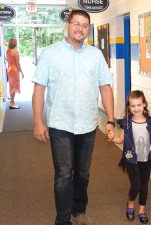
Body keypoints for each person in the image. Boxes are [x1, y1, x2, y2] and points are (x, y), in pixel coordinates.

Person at [32, 10, 114, 225]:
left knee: (84, 173)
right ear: (67, 25)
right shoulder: (50, 53)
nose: (80, 28)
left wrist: (111, 120)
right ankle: (62, 219)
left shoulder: (96, 55)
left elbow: (105, 88)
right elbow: (39, 89)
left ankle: (79, 209)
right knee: (63, 174)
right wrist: (38, 121)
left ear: (88, 29)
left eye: (85, 25)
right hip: (60, 123)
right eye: (76, 23)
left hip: (87, 124)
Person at [108, 90, 151, 224]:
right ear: (129, 107)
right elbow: (120, 139)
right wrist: (112, 138)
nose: (136, 108)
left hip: (146, 159)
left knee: (144, 185)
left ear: (144, 105)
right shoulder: (128, 124)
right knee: (136, 185)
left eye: (139, 105)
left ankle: (142, 210)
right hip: (131, 159)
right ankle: (130, 204)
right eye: (133, 106)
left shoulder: (150, 122)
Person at [6, 38, 24, 109]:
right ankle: (12, 103)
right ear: (15, 43)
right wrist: (22, 72)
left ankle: (12, 102)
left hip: (10, 70)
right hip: (14, 70)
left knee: (11, 86)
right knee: (14, 87)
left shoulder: (7, 51)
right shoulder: (15, 52)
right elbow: (17, 63)